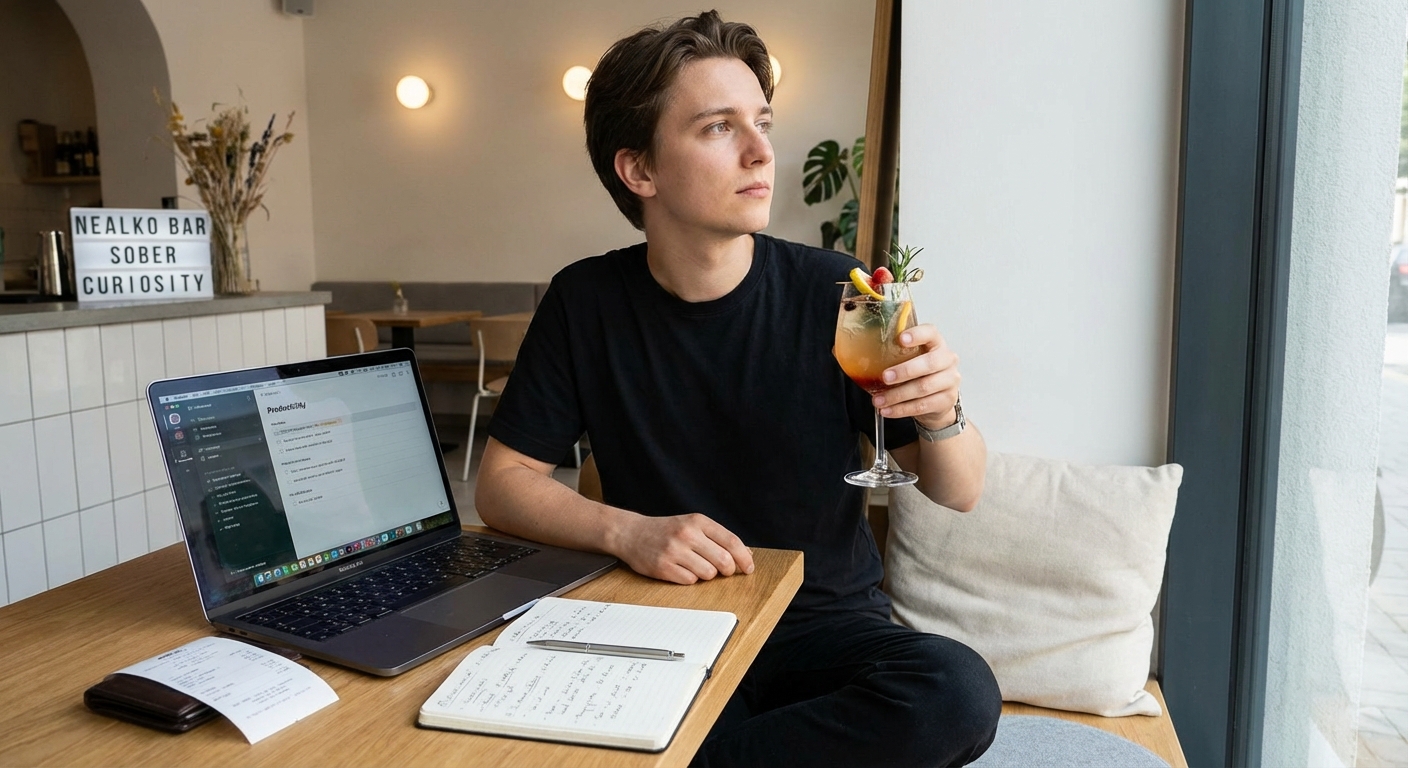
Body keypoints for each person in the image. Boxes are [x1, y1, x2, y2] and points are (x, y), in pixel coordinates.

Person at [475, 10, 1000, 767]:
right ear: (640, 170)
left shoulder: (839, 291)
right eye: (719, 128)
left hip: (821, 631)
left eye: (762, 122)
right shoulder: (585, 301)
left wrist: (944, 413)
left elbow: (959, 490)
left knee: (956, 690)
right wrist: (630, 531)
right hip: (662, 626)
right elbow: (502, 484)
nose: (761, 152)